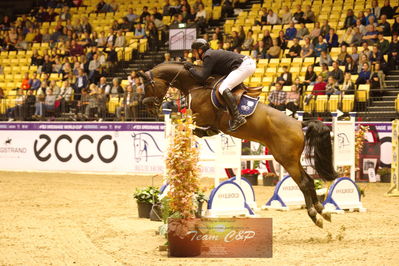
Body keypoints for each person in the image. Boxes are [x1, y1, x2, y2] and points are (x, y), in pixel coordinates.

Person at [184, 39, 256, 131]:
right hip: (244, 64)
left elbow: (202, 77)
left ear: (200, 50)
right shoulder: (210, 55)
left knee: (223, 88)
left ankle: (237, 117)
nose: (193, 54)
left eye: (194, 51)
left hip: (245, 65)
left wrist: (190, 68)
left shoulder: (208, 56)